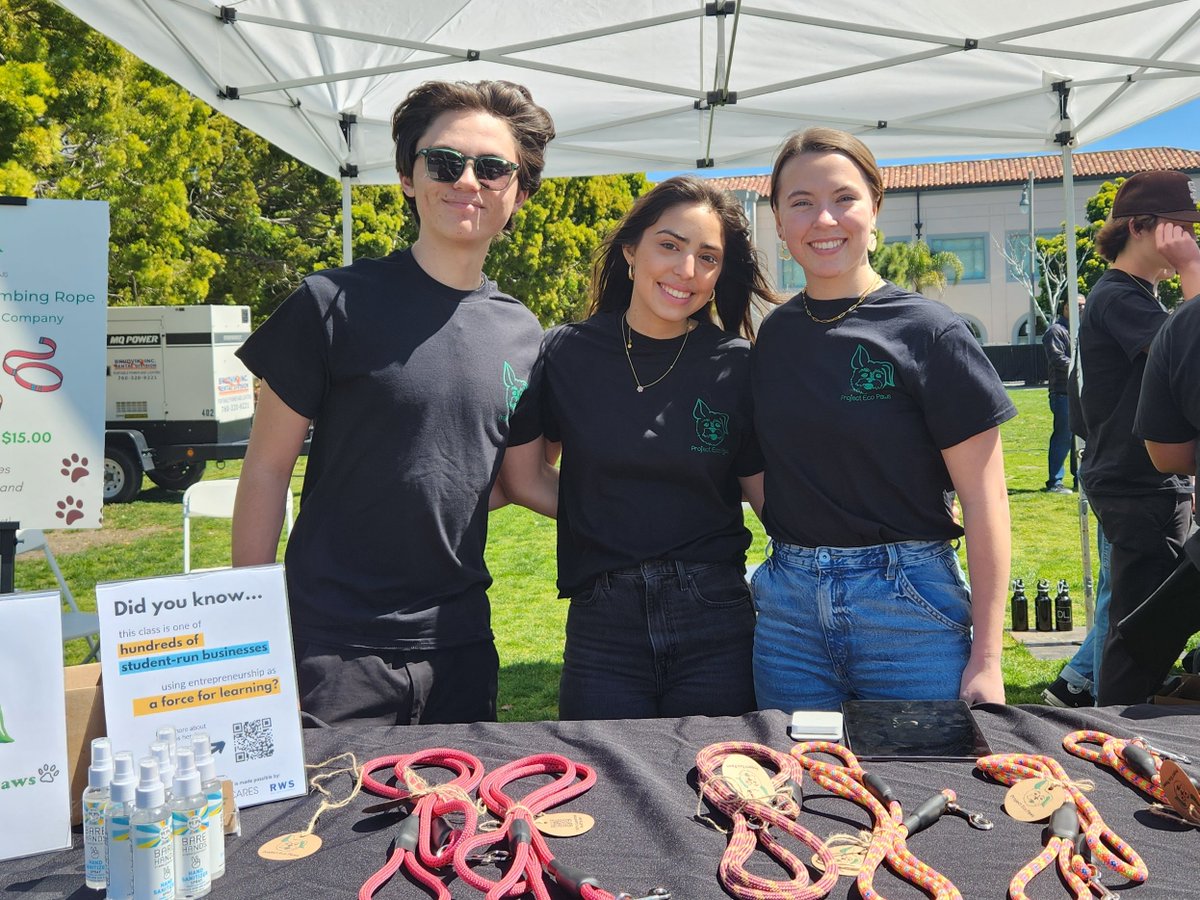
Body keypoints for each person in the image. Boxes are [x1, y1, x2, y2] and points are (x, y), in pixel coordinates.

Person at [230, 80, 555, 726]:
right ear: (409, 176)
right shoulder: (328, 304)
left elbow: (520, 480)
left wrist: (659, 510)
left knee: (459, 828)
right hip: (332, 648)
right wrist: (253, 645)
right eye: (445, 162)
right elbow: (265, 472)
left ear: (517, 192)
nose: (469, 181)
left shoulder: (524, 334)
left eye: (493, 168)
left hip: (461, 647)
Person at [751, 127, 1016, 712]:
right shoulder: (775, 336)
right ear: (777, 218)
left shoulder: (930, 332)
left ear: (875, 207)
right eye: (801, 202)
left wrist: (988, 657)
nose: (824, 219)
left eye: (844, 198)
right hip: (789, 619)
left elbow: (985, 499)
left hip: (909, 608)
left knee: (931, 787)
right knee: (796, 790)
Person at [501, 176, 776, 720]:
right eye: (669, 246)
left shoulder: (739, 365)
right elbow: (525, 478)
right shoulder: (565, 353)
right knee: (601, 785)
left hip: (716, 614)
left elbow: (771, 499)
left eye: (708, 257)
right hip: (603, 618)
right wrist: (608, 514)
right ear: (631, 251)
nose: (687, 271)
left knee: (718, 782)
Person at [1077, 171, 1199, 706]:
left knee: (1135, 617)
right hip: (1138, 482)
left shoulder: (1131, 295)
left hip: (1138, 479)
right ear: (1142, 227)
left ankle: (1119, 705)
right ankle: (1116, 725)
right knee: (1143, 629)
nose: (1191, 239)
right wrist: (1192, 270)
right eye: (1182, 228)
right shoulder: (1118, 297)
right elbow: (1192, 351)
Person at [1042, 294, 1085, 494]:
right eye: (1078, 305)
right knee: (1064, 437)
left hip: (1080, 392)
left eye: (1084, 305)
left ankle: (1080, 478)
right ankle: (1055, 482)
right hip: (1062, 393)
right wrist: (1081, 367)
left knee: (1081, 437)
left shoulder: (1081, 330)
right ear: (1066, 307)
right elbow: (1057, 359)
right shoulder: (1056, 331)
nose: (1082, 308)